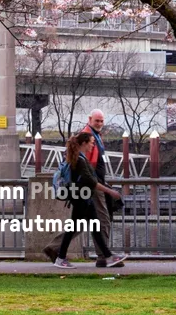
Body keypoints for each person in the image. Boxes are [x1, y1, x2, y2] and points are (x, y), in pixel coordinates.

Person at [44, 109, 119, 267]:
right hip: (87, 191)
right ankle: (104, 257)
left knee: (84, 224)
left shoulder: (93, 137)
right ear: (90, 119)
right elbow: (87, 175)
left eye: (101, 121)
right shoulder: (86, 140)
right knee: (101, 221)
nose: (99, 123)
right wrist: (107, 189)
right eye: (97, 120)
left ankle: (58, 251)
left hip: (84, 192)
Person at [52, 132, 125, 269]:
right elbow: (91, 182)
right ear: (84, 143)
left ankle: (108, 256)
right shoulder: (80, 160)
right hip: (81, 198)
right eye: (91, 142)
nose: (93, 144)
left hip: (81, 197)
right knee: (78, 227)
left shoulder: (78, 157)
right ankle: (61, 257)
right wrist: (111, 192)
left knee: (91, 227)